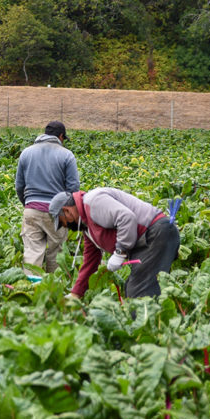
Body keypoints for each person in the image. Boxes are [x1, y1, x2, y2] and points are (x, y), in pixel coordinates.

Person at [48, 188, 181, 299]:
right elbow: (90, 262)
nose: (65, 226)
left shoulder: (93, 202)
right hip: (151, 238)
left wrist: (120, 251)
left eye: (62, 222)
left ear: (67, 211)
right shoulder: (87, 227)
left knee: (139, 293)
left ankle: (148, 328)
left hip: (156, 234)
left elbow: (126, 218)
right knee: (140, 289)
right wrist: (75, 294)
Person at [15, 121, 80, 280]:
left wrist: (28, 205)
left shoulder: (26, 153)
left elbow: (19, 185)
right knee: (56, 254)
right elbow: (73, 188)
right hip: (57, 213)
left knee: (32, 252)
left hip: (31, 209)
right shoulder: (66, 155)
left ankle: (31, 290)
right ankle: (54, 289)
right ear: (60, 136)